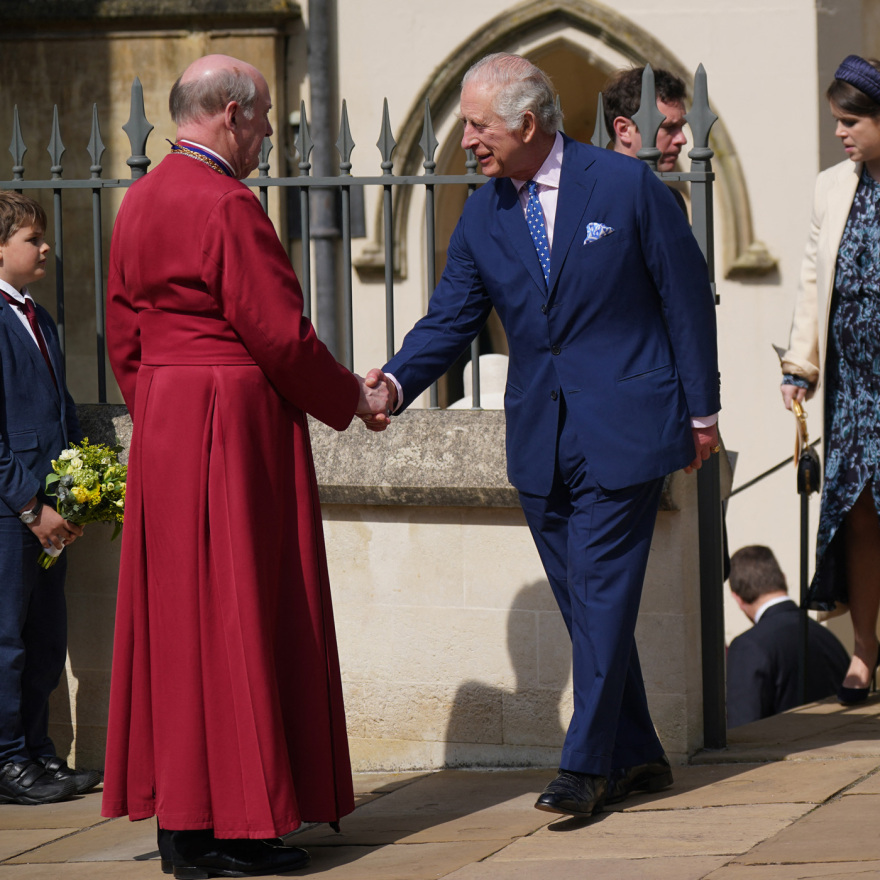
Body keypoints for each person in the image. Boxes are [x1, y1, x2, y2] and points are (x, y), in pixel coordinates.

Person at [366, 53, 720, 818]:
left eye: (477, 126)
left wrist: (702, 415)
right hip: (540, 439)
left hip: (626, 428)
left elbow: (686, 297)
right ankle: (638, 754)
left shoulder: (625, 187)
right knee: (587, 606)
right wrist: (393, 384)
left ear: (527, 124)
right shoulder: (483, 214)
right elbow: (451, 318)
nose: (467, 140)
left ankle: (585, 767)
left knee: (600, 594)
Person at [102, 55, 390, 877]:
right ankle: (233, 825)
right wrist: (354, 398)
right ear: (230, 113)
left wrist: (165, 406)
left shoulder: (139, 199)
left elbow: (124, 334)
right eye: (262, 120)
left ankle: (186, 826)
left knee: (178, 626)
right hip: (233, 427)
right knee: (240, 616)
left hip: (166, 422)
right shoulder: (227, 203)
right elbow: (280, 337)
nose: (266, 137)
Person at [780, 55, 880, 705]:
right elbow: (813, 277)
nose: (840, 133)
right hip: (854, 384)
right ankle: (865, 650)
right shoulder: (830, 186)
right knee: (860, 515)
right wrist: (801, 365)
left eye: (851, 122)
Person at [0, 192, 101, 805]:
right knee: (6, 641)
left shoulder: (39, 317)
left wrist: (71, 496)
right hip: (11, 512)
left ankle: (39, 754)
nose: (45, 248)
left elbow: (61, 412)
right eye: (32, 239)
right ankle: (7, 761)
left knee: (44, 637)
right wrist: (30, 507)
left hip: (49, 509)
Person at [726, 546, 849, 727]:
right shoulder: (827, 638)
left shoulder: (748, 646)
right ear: (783, 579)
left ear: (737, 598)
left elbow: (742, 727)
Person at [602, 66, 689, 173]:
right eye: (668, 127)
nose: (682, 139)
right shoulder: (594, 183)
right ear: (624, 129)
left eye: (681, 127)